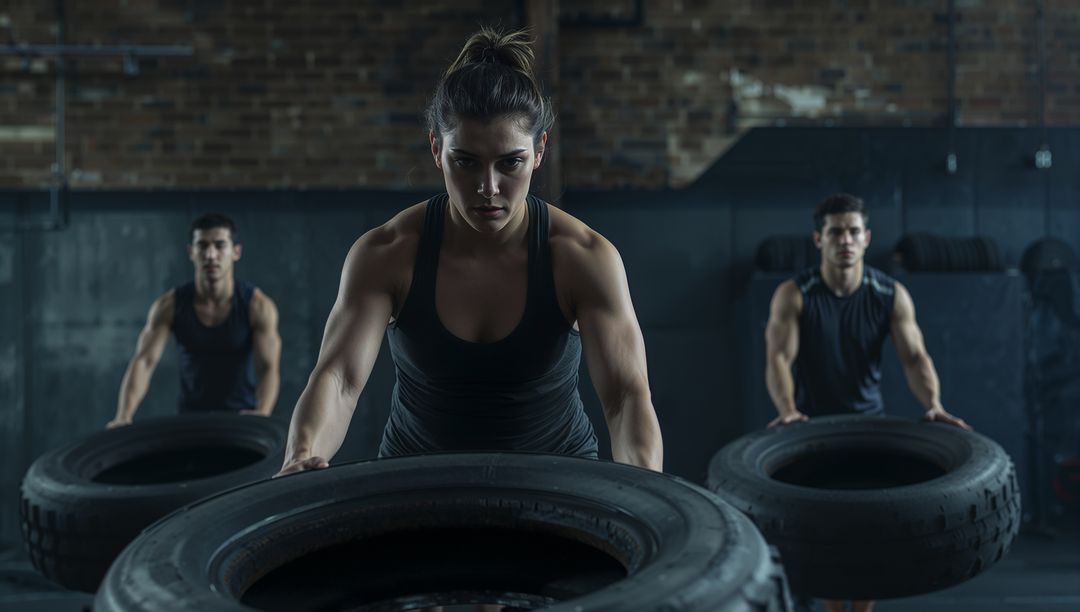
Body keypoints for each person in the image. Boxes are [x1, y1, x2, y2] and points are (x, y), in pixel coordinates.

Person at [277, 28, 663, 478]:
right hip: (416, 483)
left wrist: (647, 492)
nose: (488, 188)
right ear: (437, 149)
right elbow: (339, 379)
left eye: (509, 162)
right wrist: (300, 456)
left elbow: (624, 395)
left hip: (557, 487)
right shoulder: (388, 252)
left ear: (538, 152)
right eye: (466, 161)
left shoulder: (582, 256)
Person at [764, 193, 970, 612]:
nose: (845, 239)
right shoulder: (794, 294)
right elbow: (779, 359)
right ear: (818, 239)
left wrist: (933, 403)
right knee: (827, 538)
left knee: (868, 538)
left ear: (867, 238)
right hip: (810, 429)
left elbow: (914, 357)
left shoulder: (890, 294)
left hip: (867, 426)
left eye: (853, 231)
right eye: (835, 231)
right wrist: (786, 409)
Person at [107, 213, 281, 427]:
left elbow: (268, 367)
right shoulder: (169, 306)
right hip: (190, 420)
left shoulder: (258, 306)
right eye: (202, 245)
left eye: (219, 246)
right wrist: (123, 415)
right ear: (191, 252)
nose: (210, 254)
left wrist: (262, 413)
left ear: (236, 252)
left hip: (241, 421)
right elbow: (144, 361)